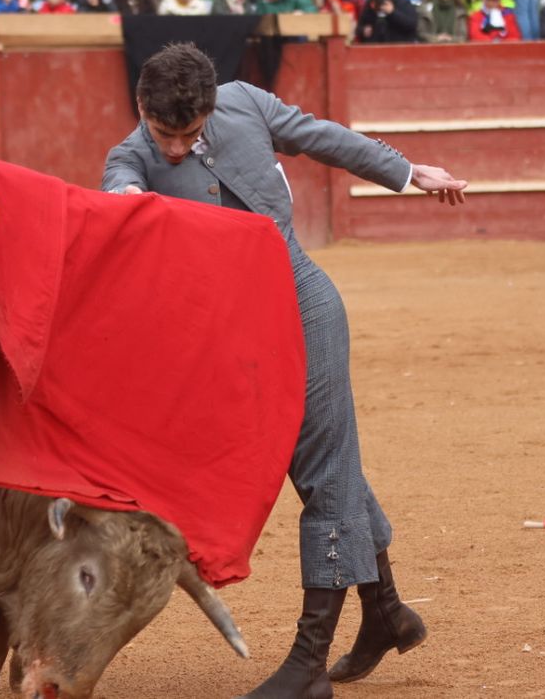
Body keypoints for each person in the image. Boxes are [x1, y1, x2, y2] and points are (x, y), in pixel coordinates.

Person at [102, 44, 465, 699]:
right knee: (322, 462)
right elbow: (119, 204)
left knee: (324, 470)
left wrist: (407, 170)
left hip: (303, 305)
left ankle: (308, 662)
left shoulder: (244, 101)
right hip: (234, 337)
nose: (178, 148)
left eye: (191, 133)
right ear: (142, 111)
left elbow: (323, 137)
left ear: (211, 109)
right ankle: (385, 612)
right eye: (167, 135)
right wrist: (129, 200)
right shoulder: (130, 159)